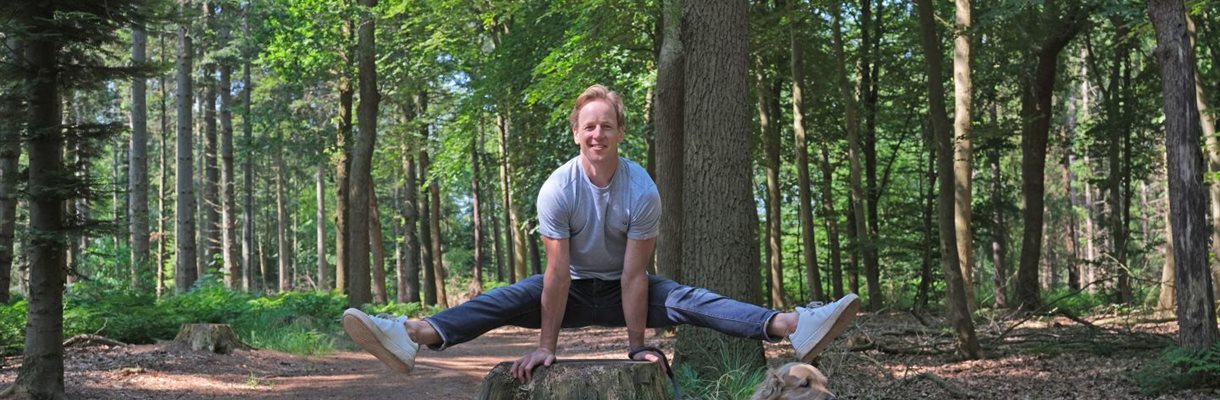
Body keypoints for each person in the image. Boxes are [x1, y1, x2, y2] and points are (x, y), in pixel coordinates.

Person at [342, 84, 860, 383]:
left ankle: (796, 324)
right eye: (588, 126)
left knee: (688, 298)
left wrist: (637, 347)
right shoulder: (557, 189)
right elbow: (557, 272)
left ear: (619, 132)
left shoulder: (642, 191)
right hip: (568, 292)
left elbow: (635, 277)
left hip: (624, 290)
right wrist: (548, 346)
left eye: (606, 125)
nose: (597, 134)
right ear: (576, 132)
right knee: (506, 296)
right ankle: (409, 336)